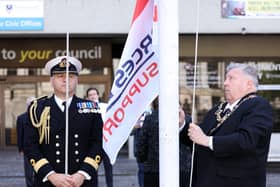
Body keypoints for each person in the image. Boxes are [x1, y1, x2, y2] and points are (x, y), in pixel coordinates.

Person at [187, 63, 273, 187]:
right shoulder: (219, 108)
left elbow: (246, 140)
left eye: (231, 78)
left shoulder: (259, 106)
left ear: (248, 84)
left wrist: (208, 141)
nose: (225, 83)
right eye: (226, 79)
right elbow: (197, 137)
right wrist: (183, 124)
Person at [23, 56, 103, 187]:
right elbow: (30, 146)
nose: (66, 80)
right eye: (60, 76)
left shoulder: (91, 109)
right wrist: (51, 175)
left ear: (77, 80)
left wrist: (82, 174)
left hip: (82, 181)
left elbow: (98, 143)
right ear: (51, 80)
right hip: (48, 181)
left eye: (71, 76)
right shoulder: (37, 109)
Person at [135, 98, 192, 187]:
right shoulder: (187, 119)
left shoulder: (150, 119)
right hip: (181, 170)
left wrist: (142, 160)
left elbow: (141, 148)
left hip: (155, 171)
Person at [86, 87, 113, 187]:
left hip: (106, 141)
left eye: (94, 94)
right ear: (88, 98)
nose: (93, 96)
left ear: (98, 95)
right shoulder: (85, 108)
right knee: (93, 167)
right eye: (90, 95)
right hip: (93, 143)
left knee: (108, 167)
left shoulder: (105, 107)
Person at [16, 96, 35, 187]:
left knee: (39, 169)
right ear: (27, 105)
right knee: (28, 171)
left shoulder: (40, 117)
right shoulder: (21, 118)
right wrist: (20, 148)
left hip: (40, 147)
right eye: (31, 103)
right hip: (27, 148)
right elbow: (20, 134)